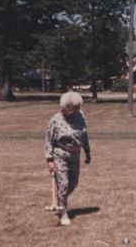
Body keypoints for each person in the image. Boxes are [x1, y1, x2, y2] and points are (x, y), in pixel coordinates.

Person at [44, 91, 91, 225]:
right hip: (60, 156)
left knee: (74, 182)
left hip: (75, 156)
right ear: (63, 106)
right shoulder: (55, 120)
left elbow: (84, 134)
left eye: (76, 107)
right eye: (70, 107)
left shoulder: (80, 116)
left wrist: (87, 152)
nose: (73, 110)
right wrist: (49, 160)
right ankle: (63, 213)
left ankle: (60, 200)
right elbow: (48, 141)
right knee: (63, 184)